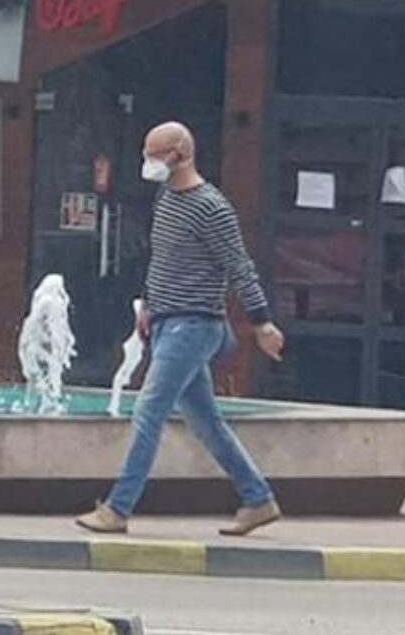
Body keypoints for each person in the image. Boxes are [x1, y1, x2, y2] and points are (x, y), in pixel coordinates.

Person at [77, 122, 285, 537]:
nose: (148, 163)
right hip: (169, 321)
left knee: (148, 410)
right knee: (205, 421)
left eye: (154, 155)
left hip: (194, 324)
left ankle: (118, 508)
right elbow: (162, 257)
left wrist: (261, 321)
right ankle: (258, 499)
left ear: (179, 153)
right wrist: (148, 302)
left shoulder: (211, 207)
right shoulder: (166, 197)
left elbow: (239, 266)